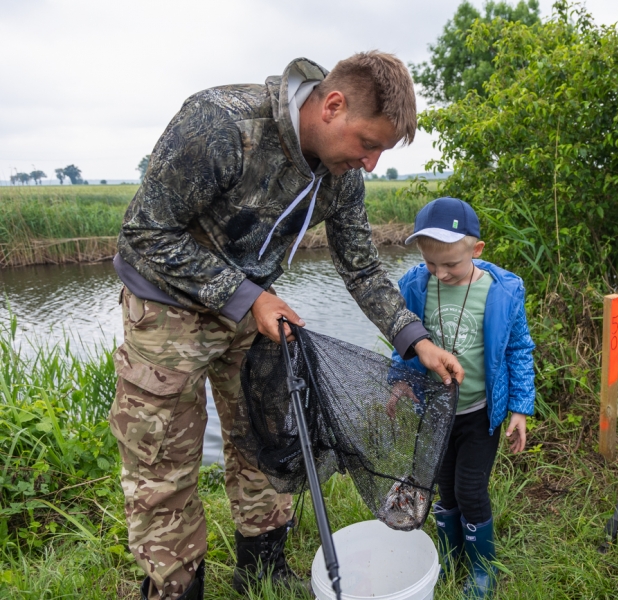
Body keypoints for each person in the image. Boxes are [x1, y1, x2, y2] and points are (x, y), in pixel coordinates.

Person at [109, 53, 464, 600]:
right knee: (163, 461)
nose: (371, 163)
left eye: (380, 153)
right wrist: (245, 295)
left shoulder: (341, 177)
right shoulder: (221, 123)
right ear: (333, 106)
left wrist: (414, 339)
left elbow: (363, 267)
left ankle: (262, 572)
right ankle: (173, 586)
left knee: (264, 440)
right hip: (166, 307)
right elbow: (146, 233)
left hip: (254, 312)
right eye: (368, 145)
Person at [389, 197, 535, 599]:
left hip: (478, 414)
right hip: (434, 412)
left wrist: (521, 408)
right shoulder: (415, 285)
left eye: (450, 263)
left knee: (471, 489)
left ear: (477, 250)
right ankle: (451, 556)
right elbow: (403, 342)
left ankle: (482, 569)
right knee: (444, 487)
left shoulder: (502, 290)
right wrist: (399, 381)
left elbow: (518, 348)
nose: (440, 272)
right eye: (431, 263)